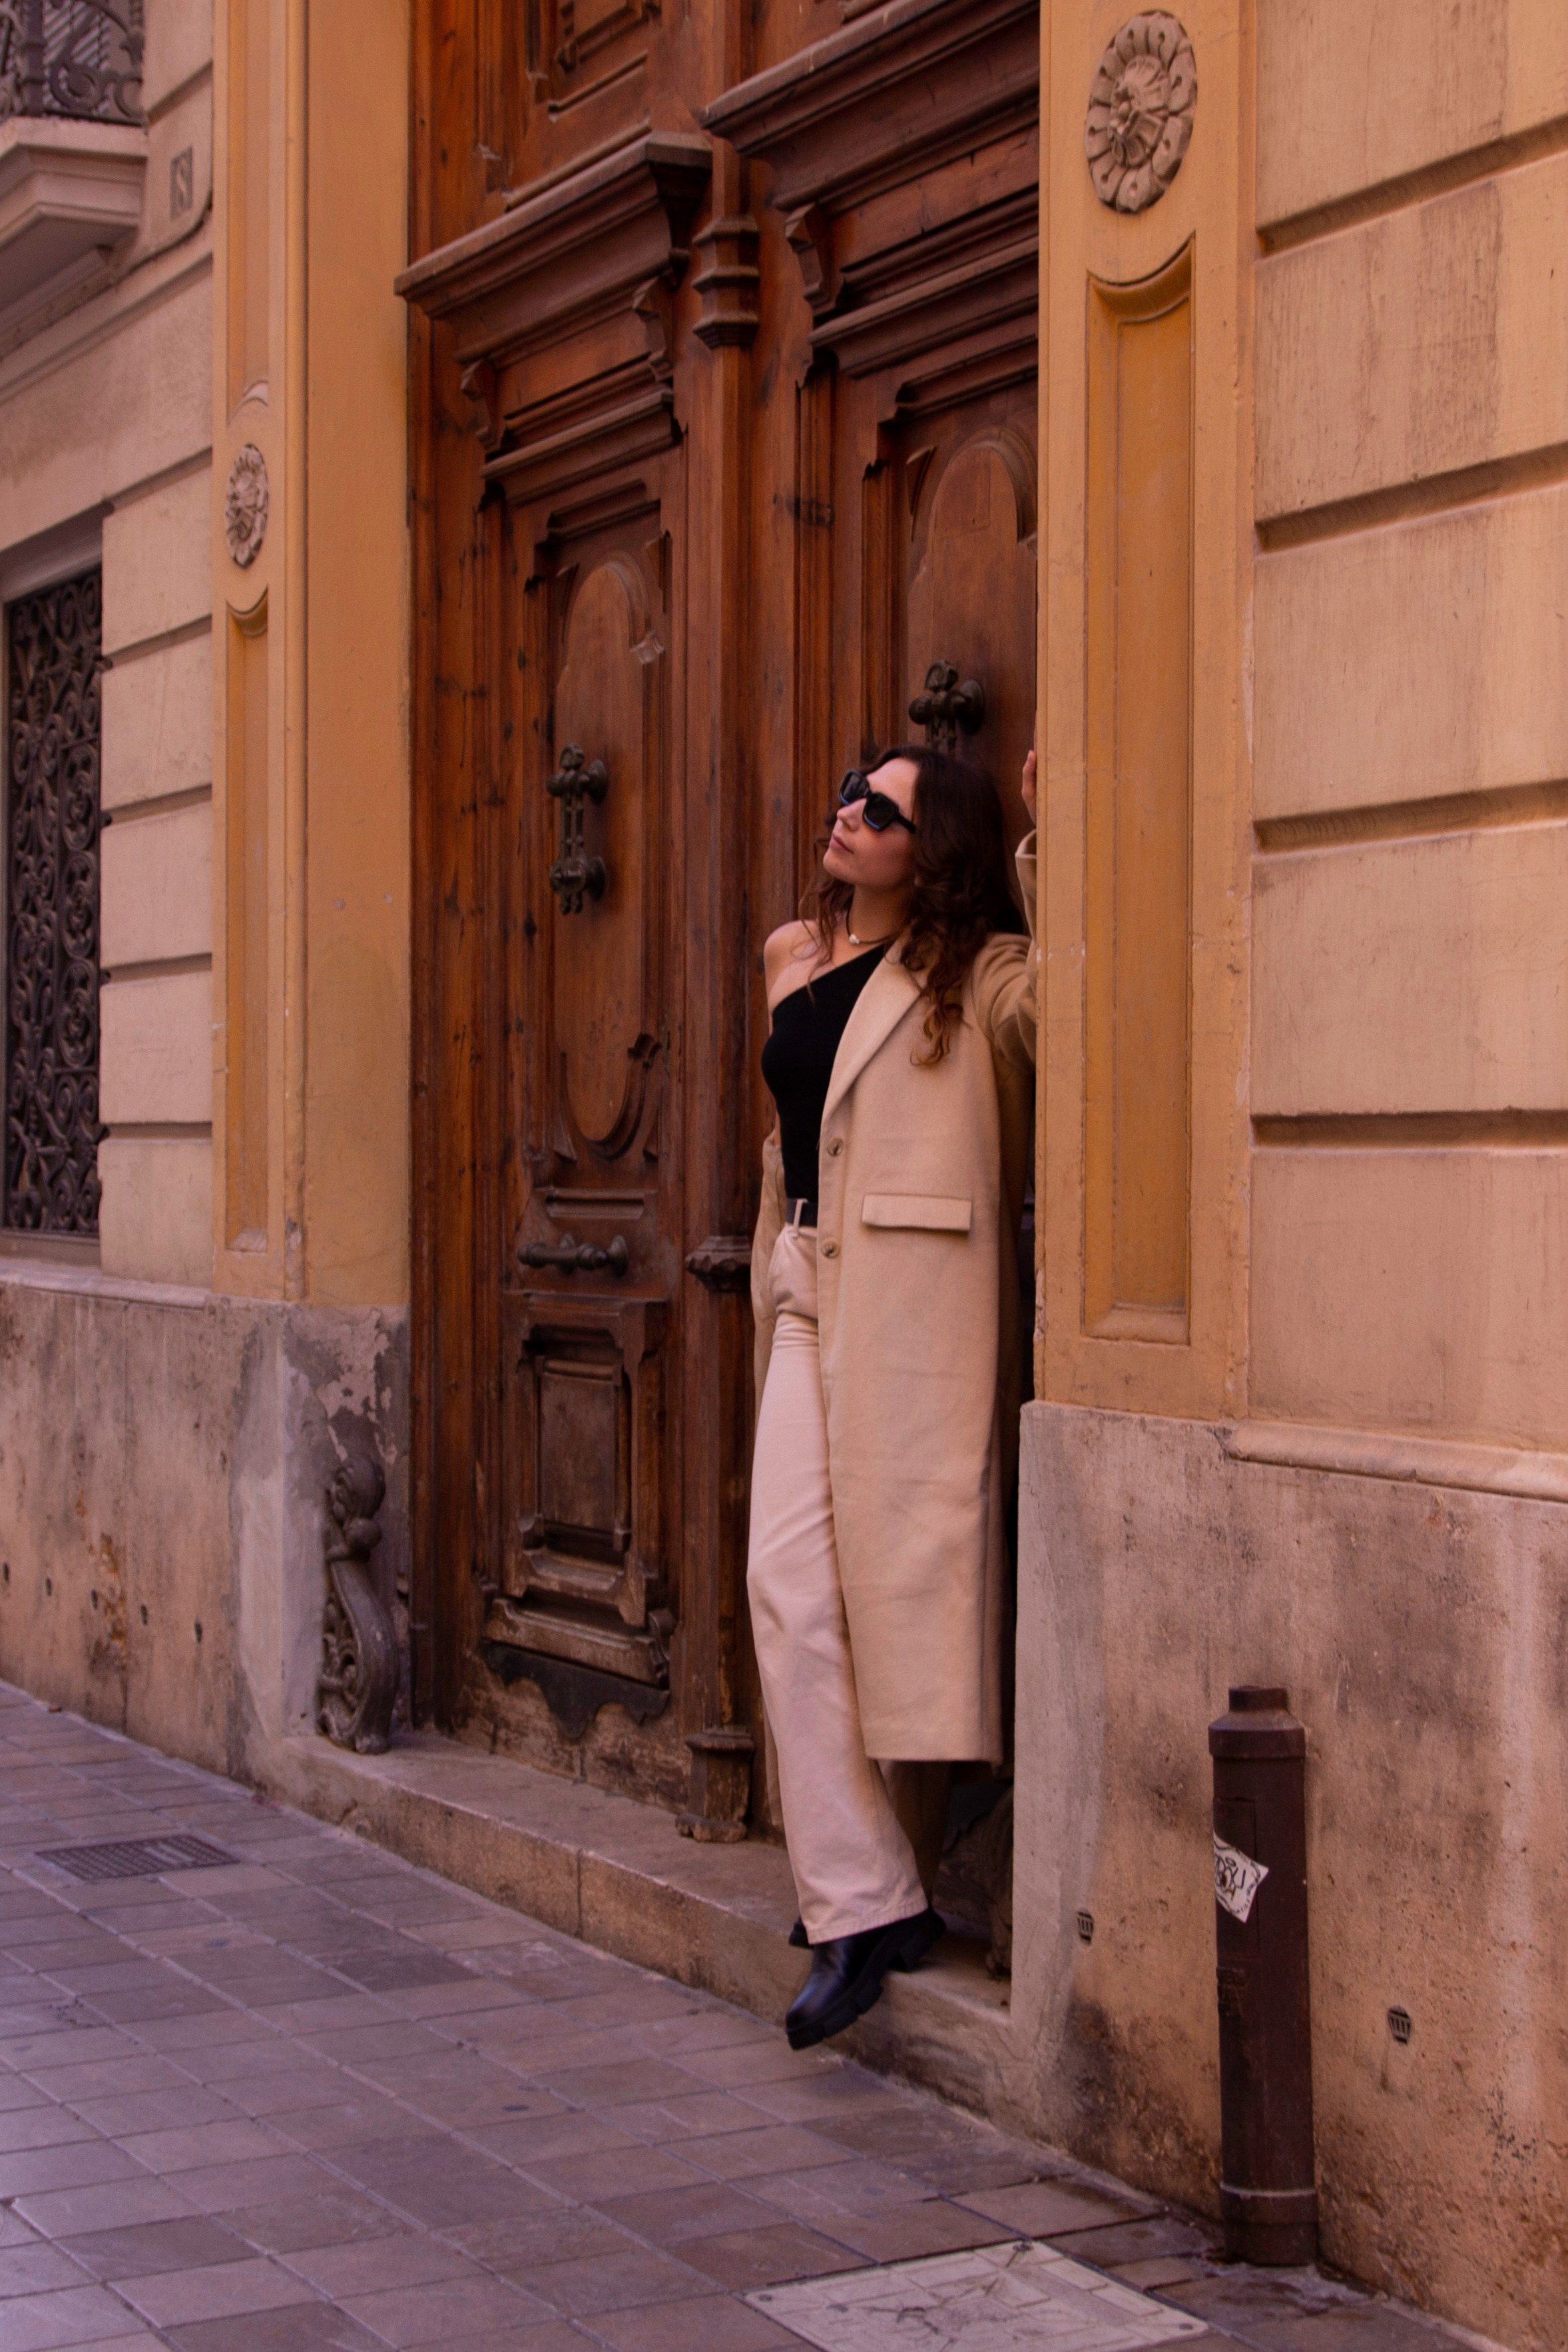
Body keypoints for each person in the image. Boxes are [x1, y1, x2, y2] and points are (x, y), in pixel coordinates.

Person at [749, 741, 1039, 2049]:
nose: (847, 810)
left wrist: (1049, 838)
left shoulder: (975, 975)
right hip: (809, 1294)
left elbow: (1076, 1019)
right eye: (847, 792)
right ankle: (867, 1893)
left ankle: (864, 1906)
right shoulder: (793, 957)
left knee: (875, 1596)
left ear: (934, 850)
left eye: (881, 808)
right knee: (787, 1588)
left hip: (910, 1313)